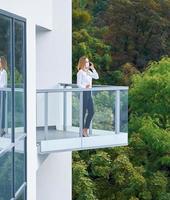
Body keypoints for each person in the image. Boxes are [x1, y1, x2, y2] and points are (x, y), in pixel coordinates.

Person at [77, 56, 99, 137]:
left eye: (88, 61)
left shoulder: (88, 72)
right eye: (86, 62)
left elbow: (97, 77)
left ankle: (85, 129)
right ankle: (82, 131)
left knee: (91, 111)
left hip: (89, 93)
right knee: (83, 112)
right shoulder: (80, 72)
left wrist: (93, 68)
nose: (88, 63)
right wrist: (84, 87)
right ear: (82, 62)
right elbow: (78, 84)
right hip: (83, 93)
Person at [0, 56, 7, 137]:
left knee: (2, 111)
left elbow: (4, 84)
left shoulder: (4, 72)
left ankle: (2, 130)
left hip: (2, 92)